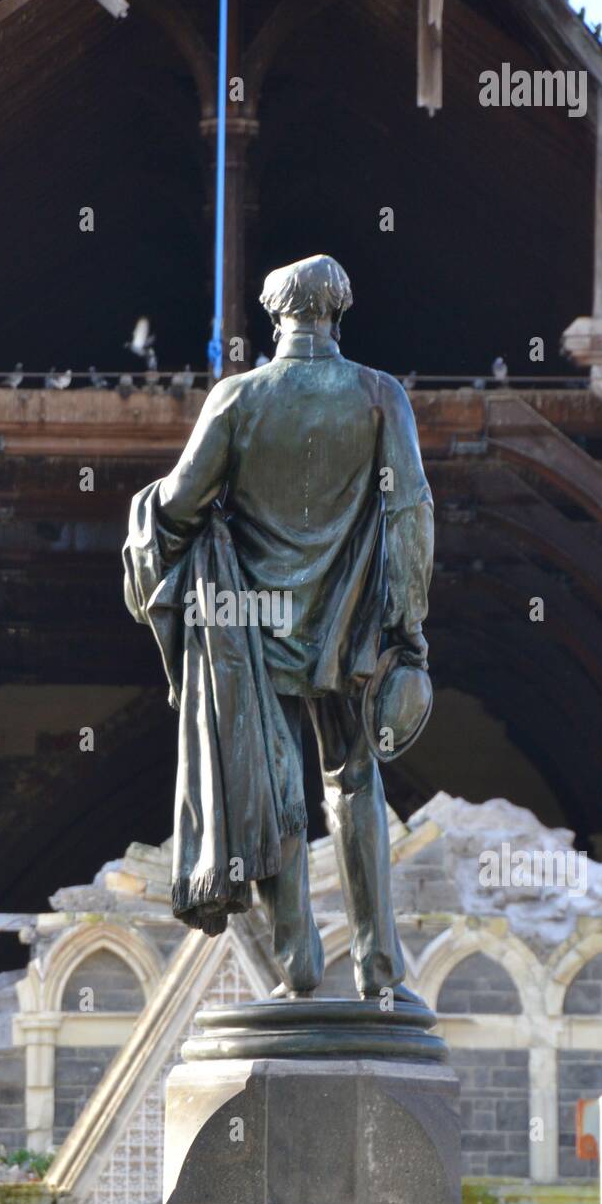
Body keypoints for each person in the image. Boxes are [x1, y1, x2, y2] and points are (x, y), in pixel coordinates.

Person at [134, 254, 433, 1000]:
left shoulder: (238, 399)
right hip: (349, 619)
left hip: (252, 627)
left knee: (269, 788)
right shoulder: (378, 395)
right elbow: (411, 513)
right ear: (340, 311)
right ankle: (378, 970)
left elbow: (176, 505)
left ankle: (298, 964)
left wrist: (150, 526)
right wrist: (409, 626)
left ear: (276, 316)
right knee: (357, 782)